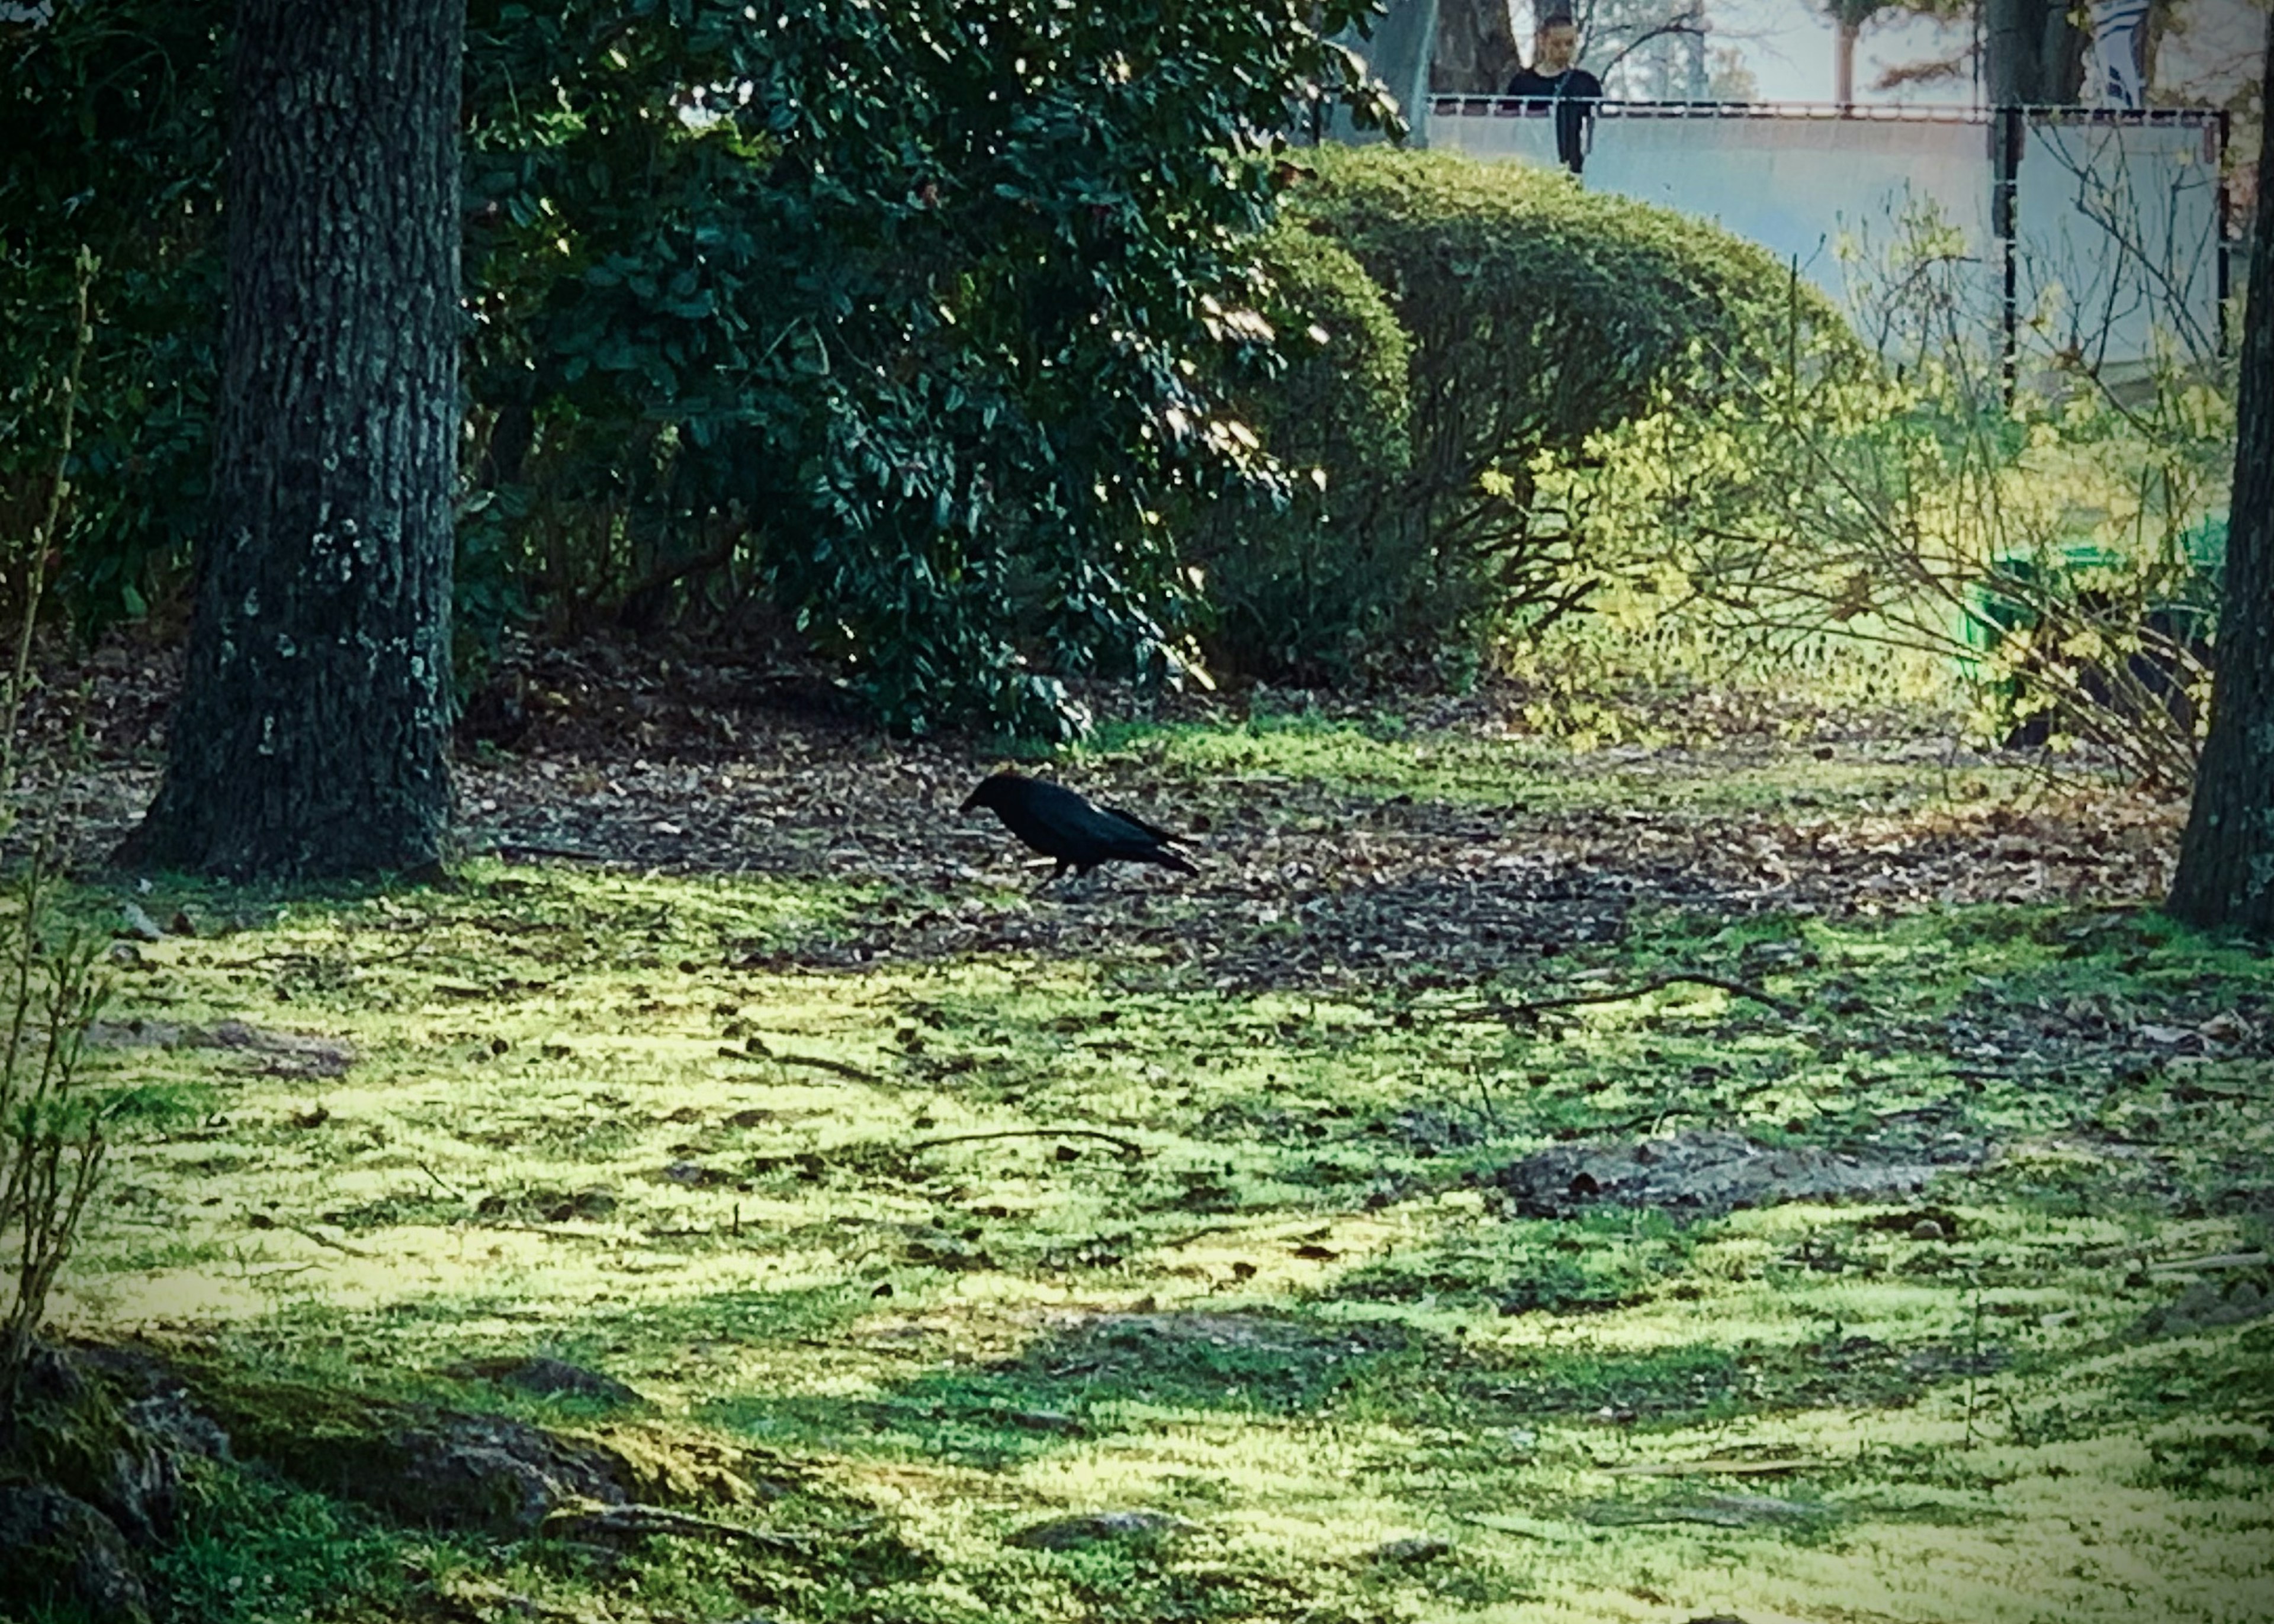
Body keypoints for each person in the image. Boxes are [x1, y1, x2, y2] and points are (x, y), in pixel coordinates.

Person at [1502, 9, 1602, 176]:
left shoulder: (1586, 85)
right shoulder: (1522, 85)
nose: (1564, 50)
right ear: (1542, 42)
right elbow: (1511, 132)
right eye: (1556, 44)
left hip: (1573, 170)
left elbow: (1597, 132)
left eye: (1569, 43)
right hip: (1531, 168)